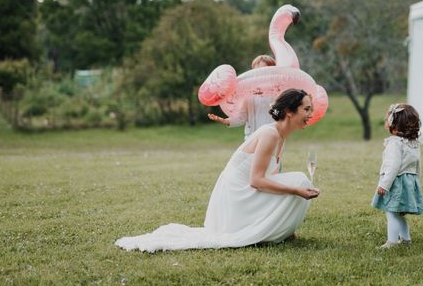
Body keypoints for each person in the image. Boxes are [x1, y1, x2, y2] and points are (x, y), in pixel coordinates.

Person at [115, 88, 319, 252]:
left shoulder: (280, 137)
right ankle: (275, 232)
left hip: (246, 195)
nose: (310, 114)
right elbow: (256, 181)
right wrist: (295, 191)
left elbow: (269, 177)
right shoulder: (270, 135)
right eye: (306, 109)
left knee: (298, 181)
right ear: (290, 112)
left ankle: (282, 231)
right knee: (299, 182)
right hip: (236, 198)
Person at [371, 103, 423, 249]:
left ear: (393, 126)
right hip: (409, 181)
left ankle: (392, 241)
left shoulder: (395, 143)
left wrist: (384, 185)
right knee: (399, 214)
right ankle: (406, 239)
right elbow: (417, 164)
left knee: (392, 213)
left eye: (387, 120)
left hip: (396, 182)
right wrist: (416, 183)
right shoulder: (413, 143)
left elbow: (393, 166)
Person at [207, 54, 276, 141]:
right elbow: (242, 117)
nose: (259, 73)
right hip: (251, 138)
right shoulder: (249, 94)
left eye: (263, 70)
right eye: (255, 70)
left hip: (269, 139)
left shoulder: (277, 94)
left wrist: (274, 108)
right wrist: (226, 121)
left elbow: (280, 116)